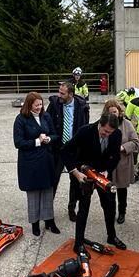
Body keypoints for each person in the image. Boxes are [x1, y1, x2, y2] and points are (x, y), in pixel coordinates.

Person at [62, 113, 126, 253]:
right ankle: (78, 243)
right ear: (100, 125)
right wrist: (75, 172)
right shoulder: (85, 131)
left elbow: (115, 156)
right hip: (84, 175)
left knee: (110, 206)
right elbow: (66, 151)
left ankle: (111, 236)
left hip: (103, 175)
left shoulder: (116, 134)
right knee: (83, 208)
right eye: (105, 131)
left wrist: (108, 171)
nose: (107, 135)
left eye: (110, 132)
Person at [13, 92, 60, 236]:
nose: (39, 107)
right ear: (29, 105)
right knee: (33, 193)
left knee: (47, 191)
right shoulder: (21, 119)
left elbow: (54, 134)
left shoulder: (45, 116)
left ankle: (49, 221)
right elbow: (18, 142)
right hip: (30, 162)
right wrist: (38, 141)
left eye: (41, 104)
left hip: (46, 160)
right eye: (36, 105)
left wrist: (49, 139)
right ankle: (35, 224)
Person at [47, 80, 89, 221]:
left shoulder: (82, 106)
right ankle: (48, 210)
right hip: (58, 149)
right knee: (53, 179)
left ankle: (72, 208)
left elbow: (85, 127)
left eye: (62, 93)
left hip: (73, 150)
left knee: (75, 182)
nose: (59, 95)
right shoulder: (54, 105)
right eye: (59, 91)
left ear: (70, 94)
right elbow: (47, 123)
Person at [103, 98, 138, 224]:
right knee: (109, 190)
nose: (113, 115)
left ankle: (122, 211)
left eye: (115, 112)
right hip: (108, 164)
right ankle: (110, 212)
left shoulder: (127, 124)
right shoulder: (103, 123)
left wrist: (123, 147)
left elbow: (135, 142)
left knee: (122, 190)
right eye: (110, 112)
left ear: (119, 112)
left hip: (122, 163)